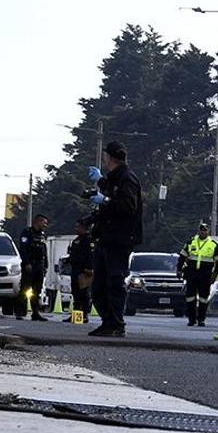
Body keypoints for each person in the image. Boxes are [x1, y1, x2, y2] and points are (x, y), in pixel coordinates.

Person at [88, 142, 143, 337]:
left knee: (114, 281)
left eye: (104, 156)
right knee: (98, 285)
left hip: (119, 239)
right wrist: (101, 182)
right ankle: (108, 321)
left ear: (109, 157)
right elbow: (111, 187)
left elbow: (127, 206)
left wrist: (105, 200)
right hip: (107, 237)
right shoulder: (116, 178)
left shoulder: (127, 179)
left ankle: (116, 323)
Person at [178, 222, 218, 327]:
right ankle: (191, 319)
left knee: (203, 298)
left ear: (208, 232)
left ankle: (201, 319)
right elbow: (182, 257)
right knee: (190, 297)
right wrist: (179, 269)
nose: (203, 232)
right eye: (201, 230)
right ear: (198, 231)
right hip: (191, 274)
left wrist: (215, 275)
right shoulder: (191, 242)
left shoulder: (213, 245)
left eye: (205, 230)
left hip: (205, 275)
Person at [16, 213, 49, 321]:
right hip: (30, 264)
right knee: (25, 288)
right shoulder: (27, 233)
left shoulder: (42, 235)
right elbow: (23, 249)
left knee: (37, 290)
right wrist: (26, 263)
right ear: (37, 221)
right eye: (44, 223)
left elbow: (44, 250)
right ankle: (20, 312)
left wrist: (46, 265)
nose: (45, 225)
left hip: (40, 265)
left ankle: (35, 313)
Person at [66, 218, 95, 320]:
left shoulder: (88, 240)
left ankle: (84, 314)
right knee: (76, 293)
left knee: (83, 293)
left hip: (84, 271)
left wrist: (89, 267)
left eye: (78, 227)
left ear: (83, 228)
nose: (76, 228)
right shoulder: (76, 240)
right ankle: (76, 315)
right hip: (75, 269)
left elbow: (90, 255)